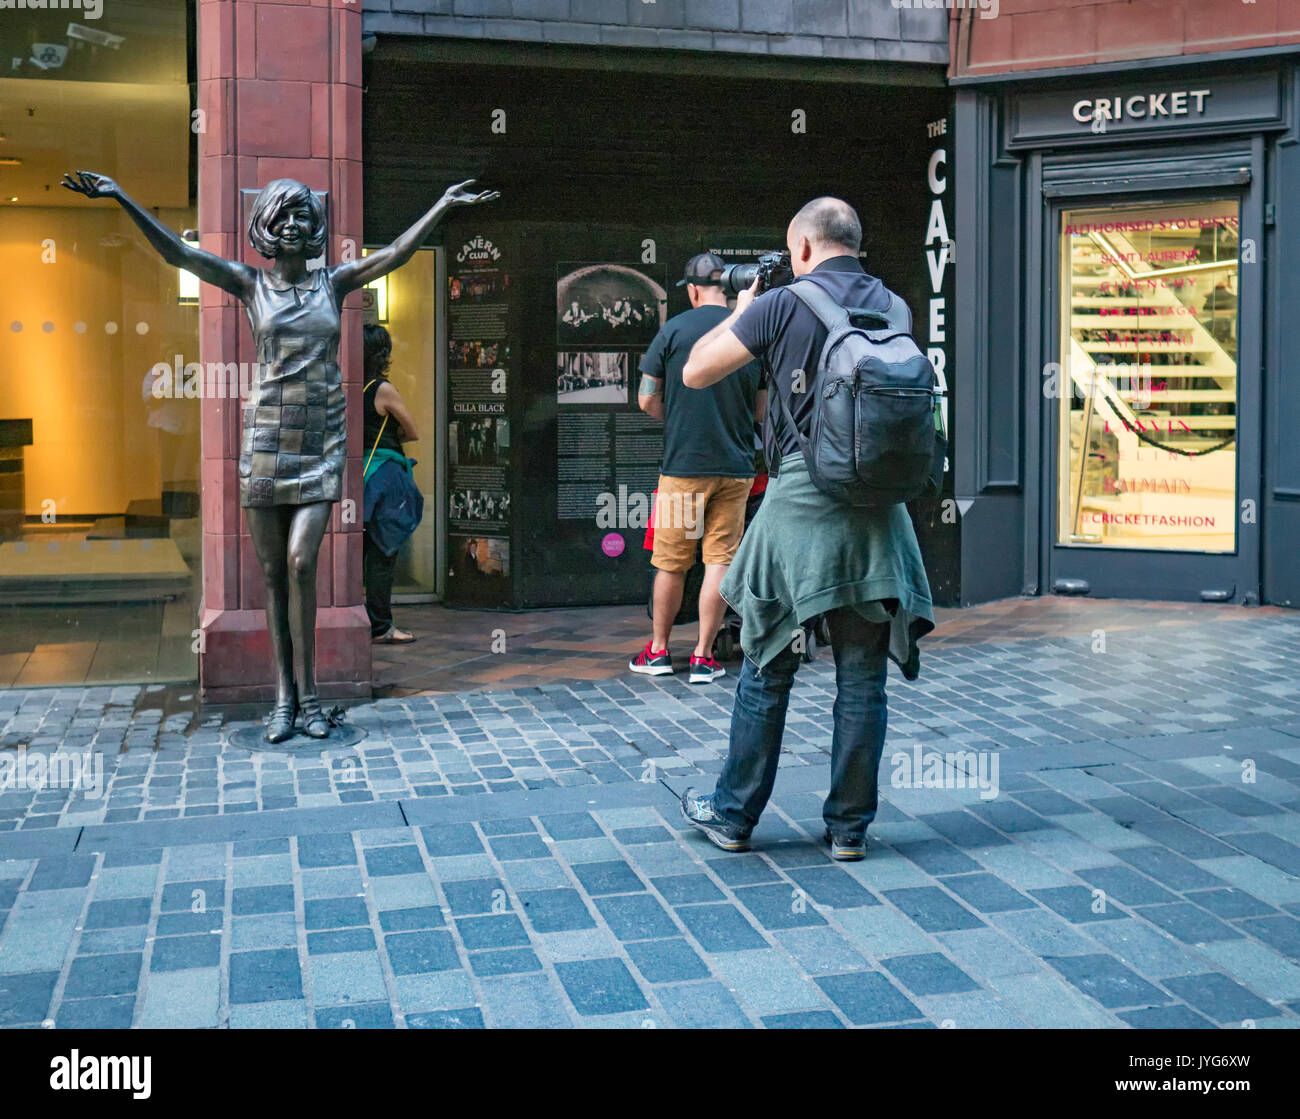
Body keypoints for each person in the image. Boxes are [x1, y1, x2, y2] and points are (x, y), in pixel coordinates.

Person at [61, 168, 497, 742]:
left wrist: (442, 202)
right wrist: (122, 196)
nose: (292, 224)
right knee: (270, 573)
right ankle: (286, 700)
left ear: (313, 227)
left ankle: (313, 697)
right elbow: (179, 255)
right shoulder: (249, 284)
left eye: (302, 216)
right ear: (264, 228)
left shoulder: (333, 284)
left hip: (319, 443)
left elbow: (393, 253)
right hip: (265, 441)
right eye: (281, 217)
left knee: (300, 563)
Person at [677, 198, 935, 860]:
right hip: (879, 516)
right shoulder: (897, 308)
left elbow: (695, 370)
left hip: (800, 512)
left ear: (802, 248)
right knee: (862, 676)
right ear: (855, 242)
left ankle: (734, 816)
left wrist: (741, 311)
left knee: (768, 665)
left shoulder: (781, 304)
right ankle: (849, 830)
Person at [630, 252, 764, 685]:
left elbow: (647, 399)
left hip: (684, 468)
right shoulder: (750, 332)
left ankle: (659, 652)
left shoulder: (672, 331)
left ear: (691, 290)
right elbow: (760, 410)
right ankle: (705, 657)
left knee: (671, 561)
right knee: (719, 561)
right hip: (737, 468)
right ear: (727, 289)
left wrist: (682, 418)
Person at [362, 323, 424, 645]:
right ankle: (381, 627)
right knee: (382, 554)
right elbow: (411, 431)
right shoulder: (382, 389)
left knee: (360, 552)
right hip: (384, 476)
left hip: (359, 475)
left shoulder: (348, 385)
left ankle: (364, 620)